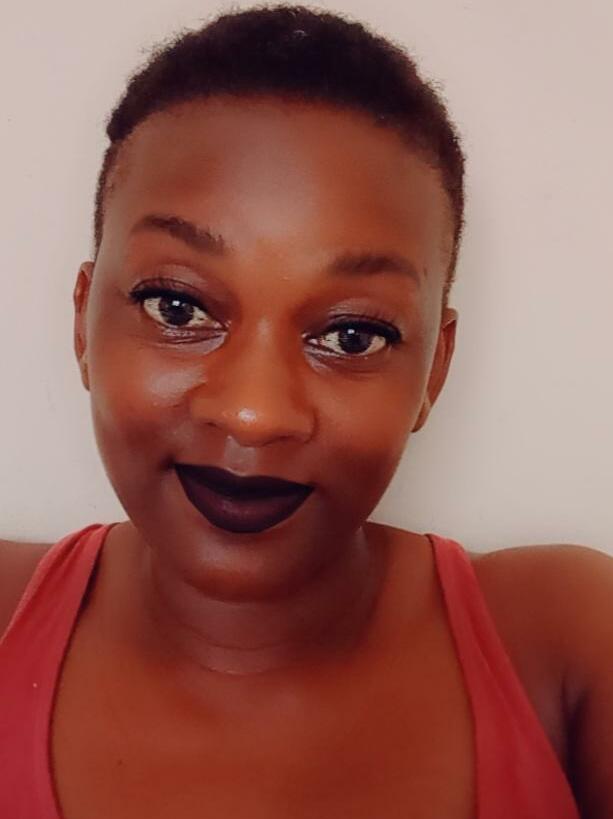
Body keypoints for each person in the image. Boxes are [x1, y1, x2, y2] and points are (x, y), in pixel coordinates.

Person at [0, 5, 611, 817]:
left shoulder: (568, 637)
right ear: (83, 320)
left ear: (433, 369)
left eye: (351, 334)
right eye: (177, 307)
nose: (254, 414)